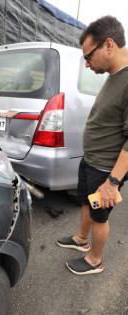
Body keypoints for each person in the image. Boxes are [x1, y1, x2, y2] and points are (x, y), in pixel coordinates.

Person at [56, 16, 128, 275]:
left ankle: (95, 260)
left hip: (106, 168)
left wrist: (112, 182)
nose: (87, 64)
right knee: (86, 203)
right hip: (91, 160)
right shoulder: (114, 75)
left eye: (88, 57)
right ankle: (81, 240)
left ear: (109, 45)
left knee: (100, 215)